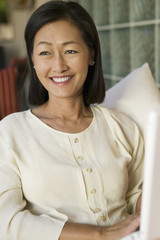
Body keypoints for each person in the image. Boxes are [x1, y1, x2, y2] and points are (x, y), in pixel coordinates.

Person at [0, 1, 144, 240]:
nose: (59, 66)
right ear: (33, 60)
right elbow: (6, 221)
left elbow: (139, 196)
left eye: (71, 51)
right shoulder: (9, 133)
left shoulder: (123, 127)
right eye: (45, 52)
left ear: (91, 56)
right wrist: (101, 234)